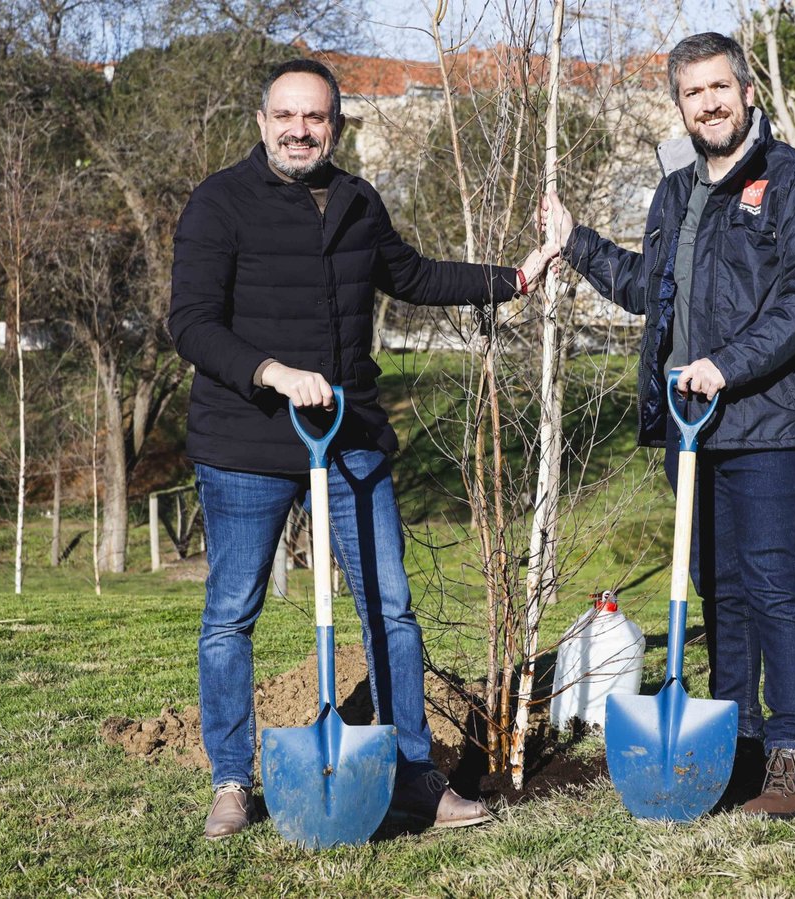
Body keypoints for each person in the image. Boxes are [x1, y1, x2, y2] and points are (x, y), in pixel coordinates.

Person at [168, 58, 558, 839]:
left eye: (314, 117)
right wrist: (273, 373)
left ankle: (413, 774)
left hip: (348, 435)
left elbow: (412, 276)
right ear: (261, 122)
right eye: (285, 115)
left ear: (337, 126)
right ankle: (232, 780)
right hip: (245, 441)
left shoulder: (356, 200)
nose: (299, 130)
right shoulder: (219, 201)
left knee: (390, 609)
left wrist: (517, 278)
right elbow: (192, 323)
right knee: (231, 615)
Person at [541, 32, 795, 818]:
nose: (708, 104)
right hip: (694, 425)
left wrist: (728, 364)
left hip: (770, 421)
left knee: (774, 583)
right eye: (692, 92)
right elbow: (651, 288)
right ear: (679, 105)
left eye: (719, 87)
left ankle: (794, 756)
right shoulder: (676, 193)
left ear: (747, 92)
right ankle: (736, 743)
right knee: (721, 590)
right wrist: (575, 244)